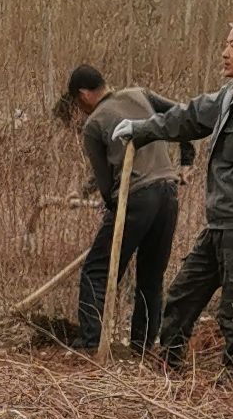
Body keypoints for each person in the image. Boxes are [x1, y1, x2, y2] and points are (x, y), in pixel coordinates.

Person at [112, 14, 233, 379]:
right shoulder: (230, 96)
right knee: (182, 296)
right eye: (225, 45)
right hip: (220, 224)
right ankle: (168, 371)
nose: (224, 53)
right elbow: (186, 118)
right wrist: (143, 129)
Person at [50, 66, 179, 351]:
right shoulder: (138, 93)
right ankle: (142, 347)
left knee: (96, 271)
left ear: (83, 95)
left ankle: (91, 342)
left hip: (136, 196)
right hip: (169, 191)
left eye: (76, 102)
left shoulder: (94, 123)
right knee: (150, 276)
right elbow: (182, 115)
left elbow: (107, 184)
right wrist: (188, 155)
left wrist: (111, 209)